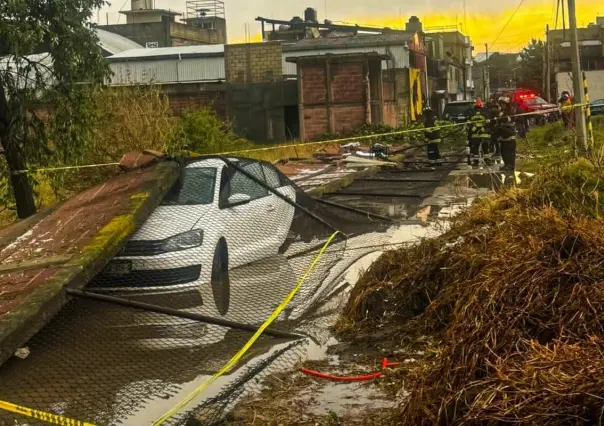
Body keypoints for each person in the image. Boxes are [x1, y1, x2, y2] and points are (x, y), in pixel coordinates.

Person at [496, 96, 517, 172]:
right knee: (503, 151)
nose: (502, 105)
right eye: (500, 104)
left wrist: (501, 119)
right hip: (503, 136)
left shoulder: (511, 111)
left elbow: (510, 119)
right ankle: (506, 165)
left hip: (509, 135)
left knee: (509, 152)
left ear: (506, 104)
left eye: (503, 104)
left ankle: (510, 166)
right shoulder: (501, 112)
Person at [467, 99, 490, 169]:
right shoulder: (485, 114)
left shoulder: (471, 115)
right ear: (481, 107)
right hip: (484, 135)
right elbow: (488, 123)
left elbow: (469, 125)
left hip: (475, 135)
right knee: (485, 149)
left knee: (475, 149)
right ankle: (487, 161)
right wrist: (482, 130)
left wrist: (474, 130)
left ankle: (476, 162)